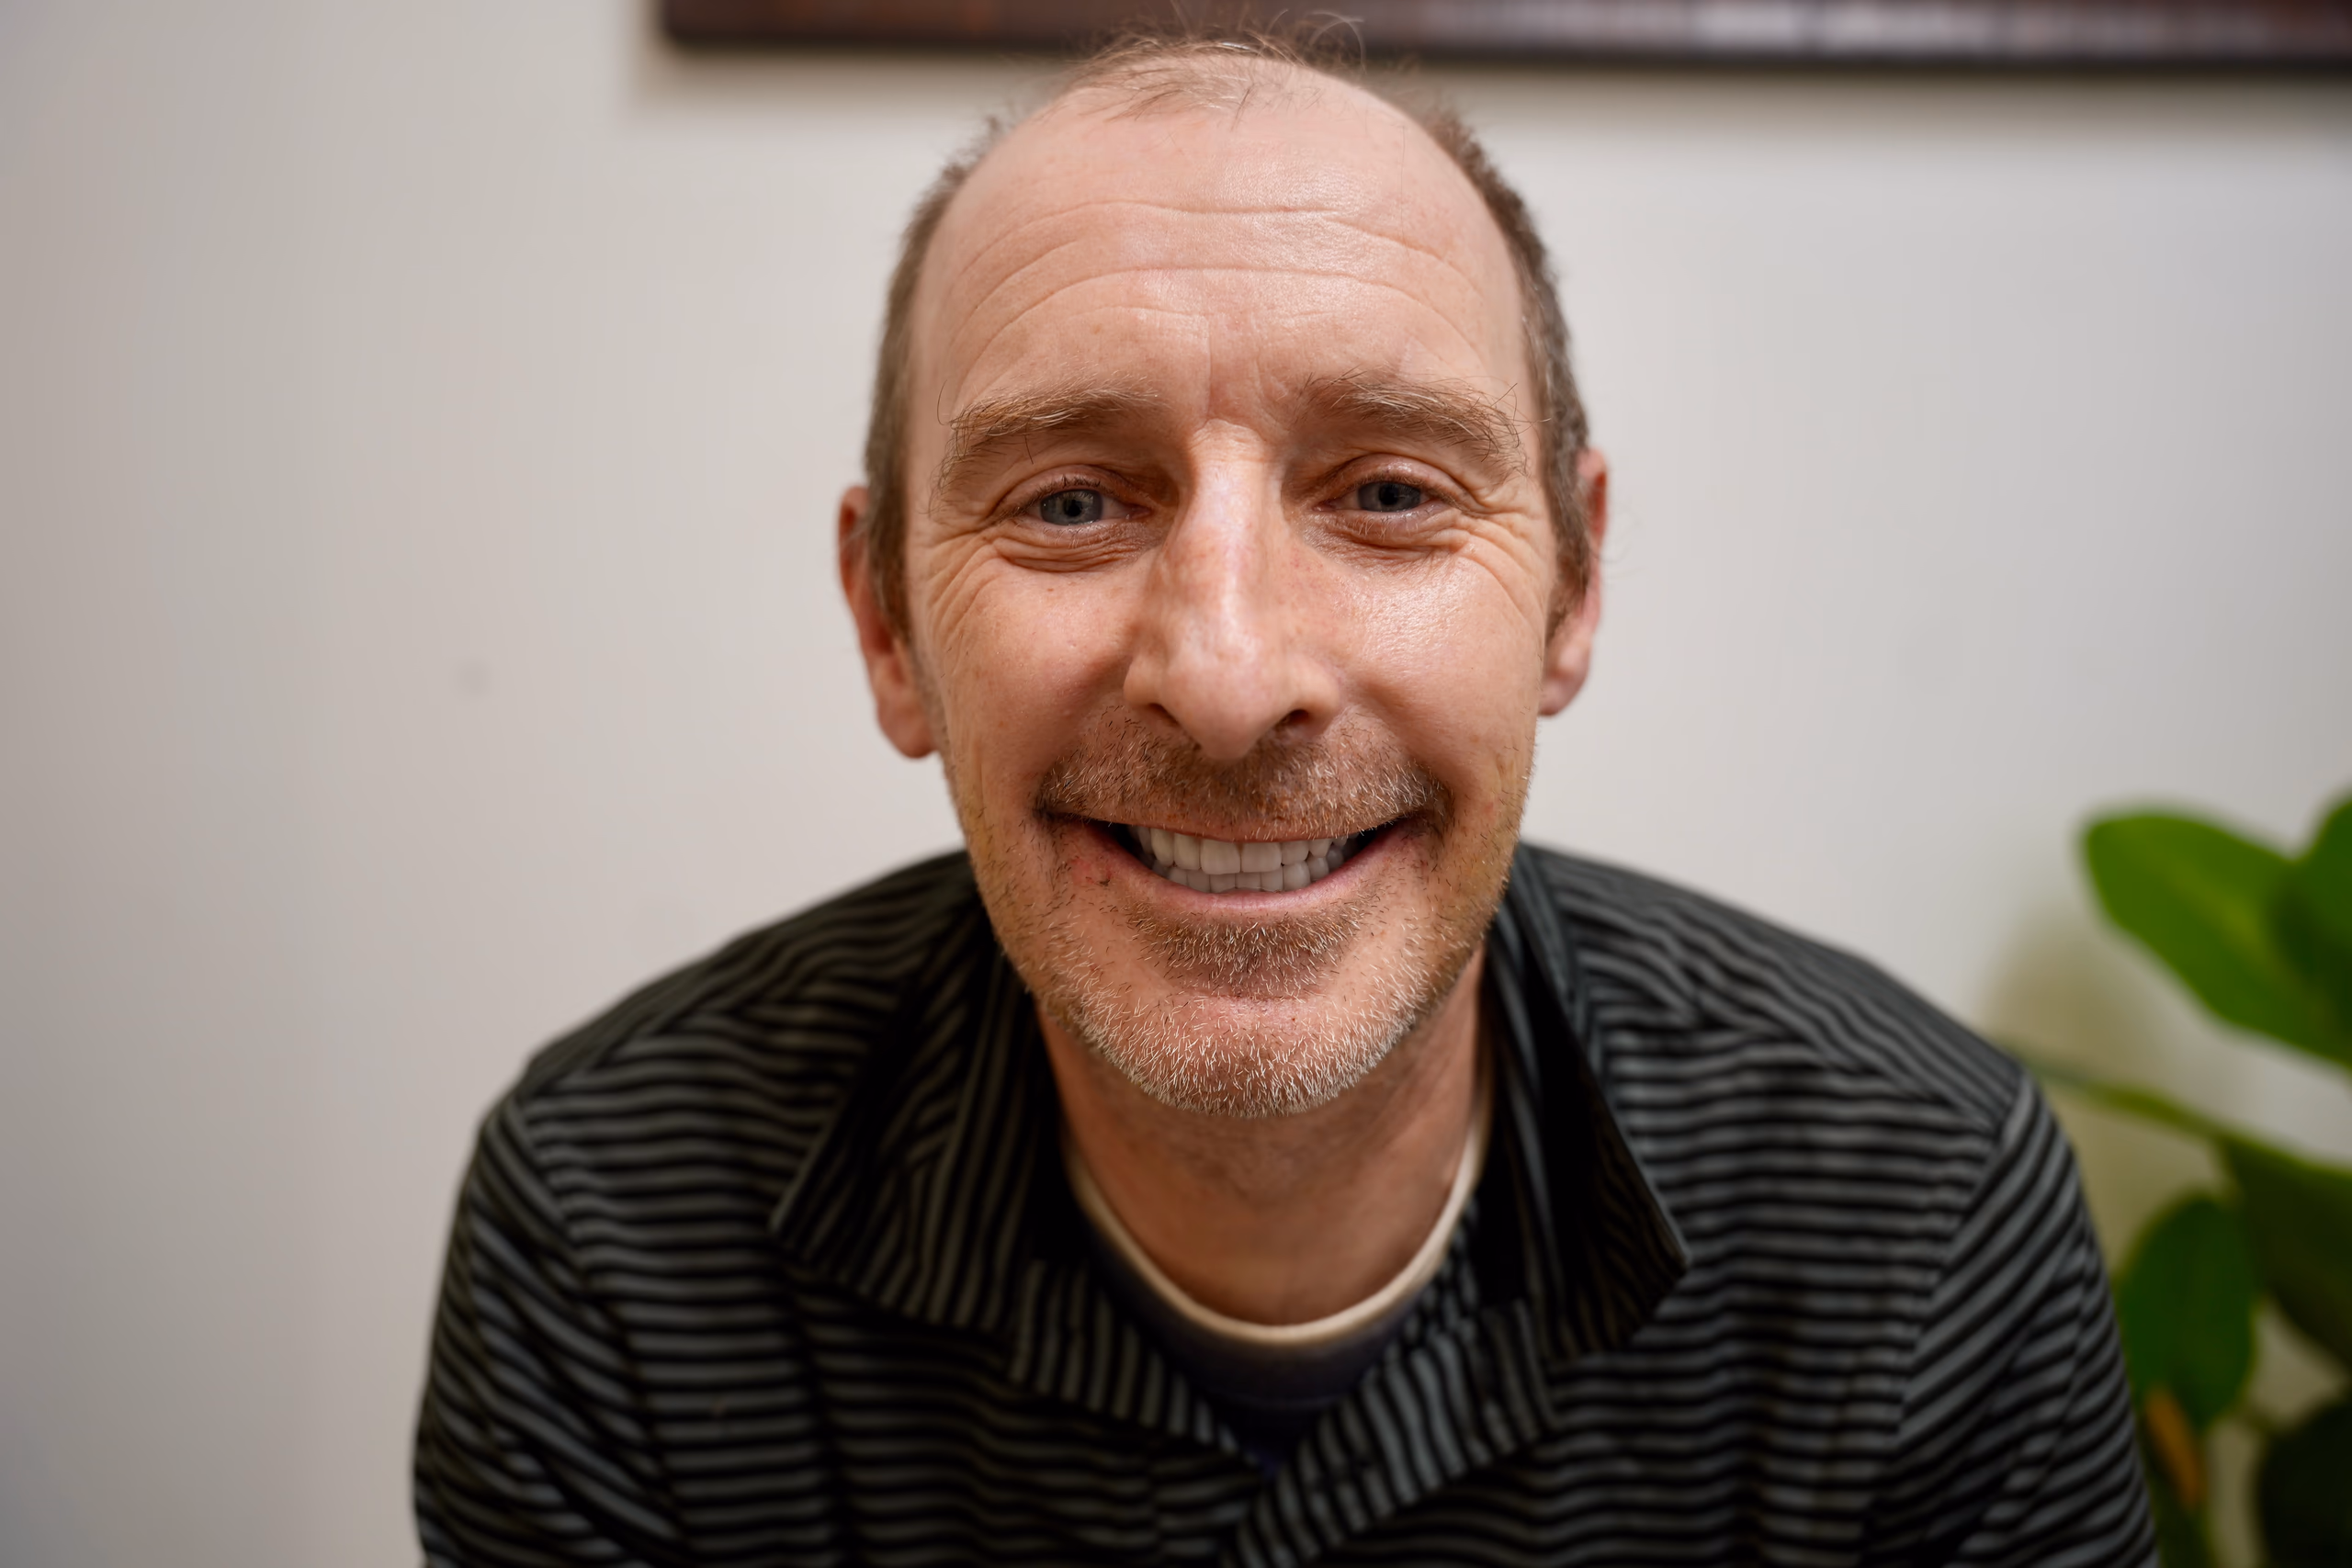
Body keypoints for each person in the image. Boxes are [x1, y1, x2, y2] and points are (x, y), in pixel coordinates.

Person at [414, 32, 2153, 1566]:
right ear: (888, 626)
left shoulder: (1923, 1220)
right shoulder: (615, 1235)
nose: (1232, 676)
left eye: (1388, 492)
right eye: (1073, 502)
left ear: (1571, 585)